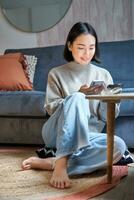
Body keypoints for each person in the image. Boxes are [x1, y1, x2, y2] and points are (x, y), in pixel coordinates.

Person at [22, 22, 132, 189]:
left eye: (91, 47)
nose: (87, 53)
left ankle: (53, 162)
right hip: (56, 133)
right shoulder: (56, 73)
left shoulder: (104, 74)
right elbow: (51, 108)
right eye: (81, 47)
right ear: (70, 45)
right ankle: (60, 166)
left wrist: (107, 100)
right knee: (77, 98)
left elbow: (106, 117)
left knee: (118, 146)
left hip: (88, 135)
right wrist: (77, 95)